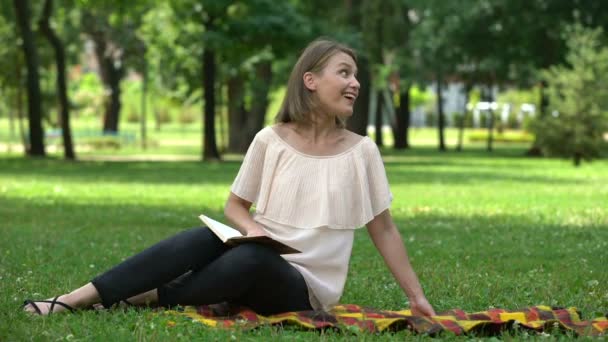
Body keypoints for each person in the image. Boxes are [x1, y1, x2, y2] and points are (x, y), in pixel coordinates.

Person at [23, 38, 436, 317]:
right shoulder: (270, 140)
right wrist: (253, 230)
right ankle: (76, 299)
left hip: (305, 290)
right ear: (310, 81)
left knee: (252, 260)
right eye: (344, 73)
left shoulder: (361, 151)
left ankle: (153, 294)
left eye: (356, 75)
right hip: (256, 253)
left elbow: (382, 228)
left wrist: (416, 299)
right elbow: (235, 206)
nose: (355, 83)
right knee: (209, 236)